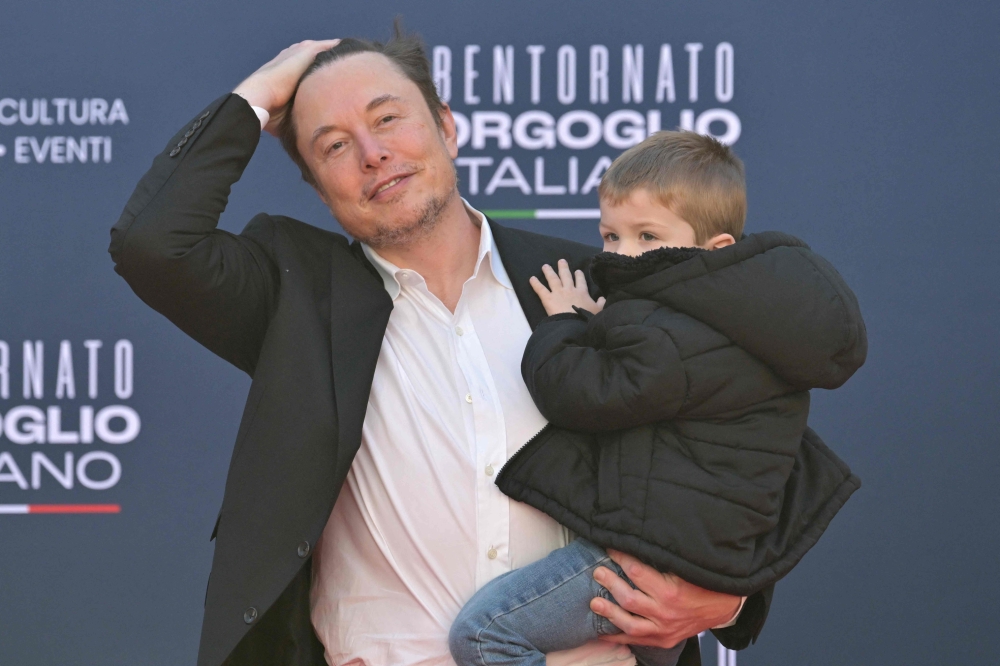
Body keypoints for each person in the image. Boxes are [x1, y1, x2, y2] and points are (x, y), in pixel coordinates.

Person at [111, 25, 789, 666]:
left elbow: (739, 444)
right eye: (334, 146)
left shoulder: (590, 281)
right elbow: (151, 244)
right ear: (319, 190)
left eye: (386, 118)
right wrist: (261, 91)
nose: (372, 153)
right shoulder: (292, 299)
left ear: (447, 126)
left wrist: (723, 598)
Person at [449, 131, 866, 666]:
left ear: (714, 249)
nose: (624, 255)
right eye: (611, 237)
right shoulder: (744, 324)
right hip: (691, 557)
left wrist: (562, 326)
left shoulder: (674, 331)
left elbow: (580, 394)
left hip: (645, 560)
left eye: (648, 236)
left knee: (483, 636)